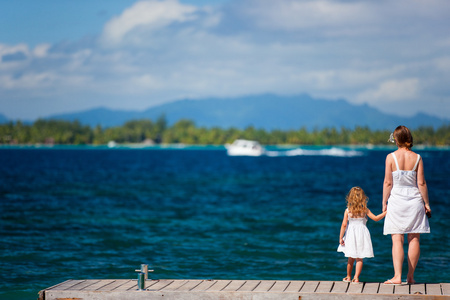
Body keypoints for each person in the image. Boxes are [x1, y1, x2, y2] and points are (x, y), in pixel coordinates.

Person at [382, 125, 431, 285]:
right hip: (414, 199)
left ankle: (397, 276)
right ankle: (410, 277)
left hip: (396, 199)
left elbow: (388, 182)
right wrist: (427, 203)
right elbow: (421, 183)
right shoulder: (417, 158)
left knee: (397, 239)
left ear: (396, 139)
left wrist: (384, 202)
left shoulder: (391, 157)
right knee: (414, 239)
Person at [338, 186, 387, 283]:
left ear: (350, 197)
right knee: (359, 257)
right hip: (362, 234)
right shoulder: (365, 210)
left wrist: (340, 238)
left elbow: (344, 225)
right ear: (362, 198)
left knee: (350, 257)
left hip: (351, 234)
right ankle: (356, 278)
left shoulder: (348, 211)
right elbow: (376, 218)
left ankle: (348, 277)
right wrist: (386, 212)